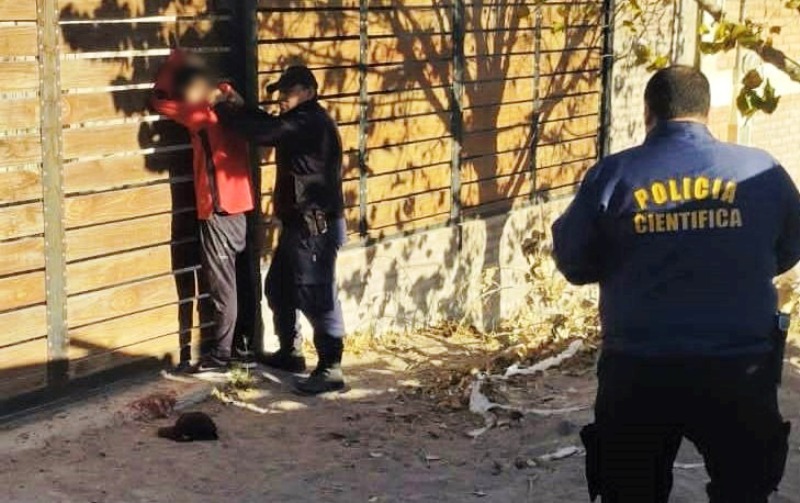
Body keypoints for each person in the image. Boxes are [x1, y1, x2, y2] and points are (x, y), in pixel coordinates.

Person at [552, 66, 800, 502]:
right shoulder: (761, 169)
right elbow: (788, 249)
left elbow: (574, 262)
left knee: (631, 492)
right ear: (707, 111)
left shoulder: (613, 175)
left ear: (647, 113)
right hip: (739, 370)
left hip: (639, 371)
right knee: (744, 490)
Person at [214, 65, 348, 395]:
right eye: (280, 92)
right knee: (279, 287)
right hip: (299, 224)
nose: (281, 99)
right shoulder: (299, 120)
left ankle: (331, 367)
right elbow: (271, 125)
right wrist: (241, 106)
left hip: (316, 226)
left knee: (316, 293)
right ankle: (291, 353)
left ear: (309, 92)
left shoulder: (310, 122)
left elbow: (265, 133)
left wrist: (221, 109)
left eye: (288, 92)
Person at [152, 50, 255, 373]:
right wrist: (223, 89)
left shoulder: (202, 114)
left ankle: (222, 356)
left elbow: (159, 101)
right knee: (236, 281)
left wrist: (176, 60)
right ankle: (243, 347)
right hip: (239, 206)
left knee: (222, 287)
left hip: (218, 209)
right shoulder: (234, 107)